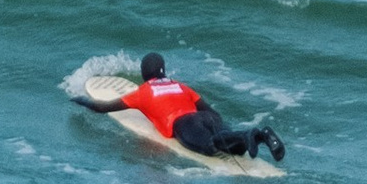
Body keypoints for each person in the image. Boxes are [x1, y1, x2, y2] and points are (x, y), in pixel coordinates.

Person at [77, 54, 284, 166]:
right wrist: (213, 123)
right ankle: (260, 135)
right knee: (233, 145)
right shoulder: (179, 85)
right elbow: (208, 109)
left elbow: (102, 107)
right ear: (163, 71)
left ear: (143, 74)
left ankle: (250, 134)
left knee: (210, 147)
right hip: (206, 117)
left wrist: (81, 99)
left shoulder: (143, 92)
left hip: (184, 123)